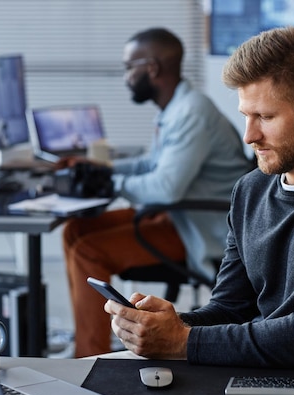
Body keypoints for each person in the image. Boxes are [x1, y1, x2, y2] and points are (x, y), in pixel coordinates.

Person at [105, 26, 294, 368]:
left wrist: (182, 340)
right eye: (246, 116)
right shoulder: (249, 190)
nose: (249, 136)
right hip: (270, 372)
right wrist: (169, 326)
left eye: (265, 117)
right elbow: (231, 309)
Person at [61, 27, 253, 358]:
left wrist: (109, 186)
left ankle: (88, 357)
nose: (125, 77)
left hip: (201, 227)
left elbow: (166, 186)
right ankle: (87, 339)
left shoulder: (191, 112)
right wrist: (104, 169)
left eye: (128, 67)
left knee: (87, 251)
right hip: (179, 213)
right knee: (74, 230)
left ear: (151, 68)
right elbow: (153, 163)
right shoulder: (175, 107)